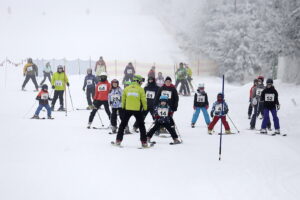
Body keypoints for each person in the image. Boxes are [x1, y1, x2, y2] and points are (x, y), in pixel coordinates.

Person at [114, 75, 148, 147]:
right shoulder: (140, 89)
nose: (141, 83)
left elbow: (123, 99)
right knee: (141, 126)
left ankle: (118, 141)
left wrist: (123, 107)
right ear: (137, 81)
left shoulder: (127, 88)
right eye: (141, 81)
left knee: (122, 125)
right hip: (137, 110)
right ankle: (144, 142)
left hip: (127, 109)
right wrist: (145, 108)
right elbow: (144, 100)